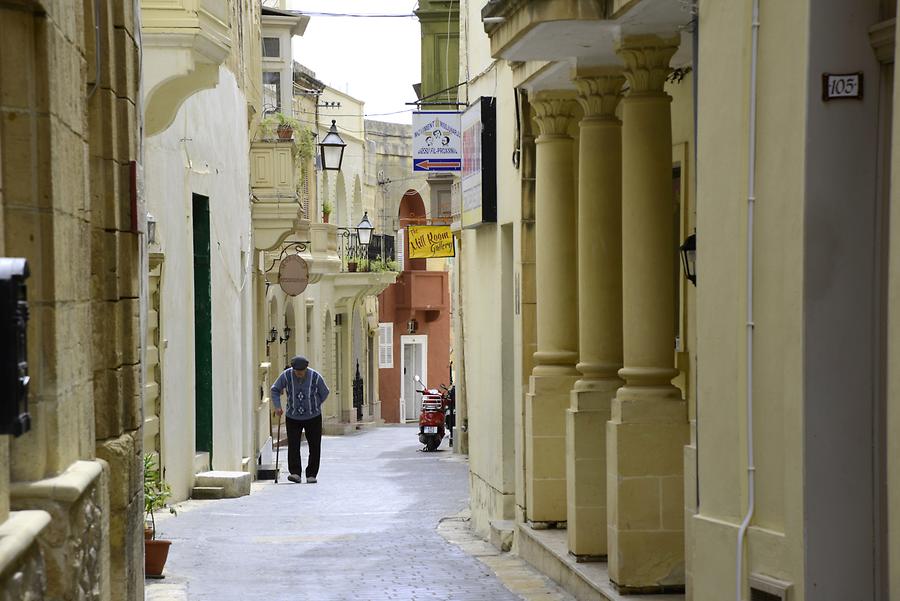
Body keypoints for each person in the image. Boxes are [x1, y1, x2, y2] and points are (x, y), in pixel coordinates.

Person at [270, 355, 330, 484]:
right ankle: (295, 473)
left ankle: (311, 474)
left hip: (313, 417)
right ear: (293, 369)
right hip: (293, 416)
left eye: (301, 372)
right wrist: (277, 406)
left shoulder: (315, 376)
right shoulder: (286, 375)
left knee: (314, 445)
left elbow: (325, 392)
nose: (299, 374)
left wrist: (315, 404)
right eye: (297, 372)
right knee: (293, 445)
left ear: (306, 369)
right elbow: (275, 389)